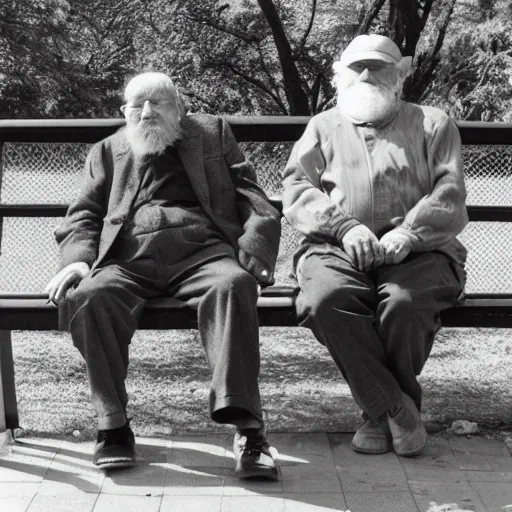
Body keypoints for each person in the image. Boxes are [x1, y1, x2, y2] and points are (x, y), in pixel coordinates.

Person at [45, 71, 281, 478]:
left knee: (234, 285)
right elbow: (83, 214)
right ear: (125, 111)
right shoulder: (107, 150)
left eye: (158, 102)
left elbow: (251, 194)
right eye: (137, 104)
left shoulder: (211, 132)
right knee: (89, 296)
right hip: (127, 260)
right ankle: (113, 425)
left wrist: (254, 246)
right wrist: (78, 260)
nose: (147, 111)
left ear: (180, 106)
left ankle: (249, 430)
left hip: (203, 254)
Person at [282, 34, 468, 457]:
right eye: (357, 67)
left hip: (422, 251)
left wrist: (408, 233)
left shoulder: (433, 123)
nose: (366, 75)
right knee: (325, 300)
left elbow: (450, 193)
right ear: (339, 77)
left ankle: (376, 415)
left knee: (403, 305)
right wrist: (345, 227)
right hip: (334, 247)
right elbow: (296, 188)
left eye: (379, 67)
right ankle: (398, 412)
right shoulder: (322, 126)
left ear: (399, 76)